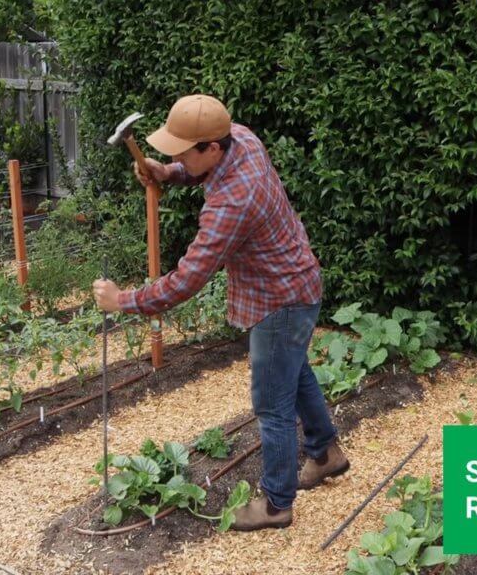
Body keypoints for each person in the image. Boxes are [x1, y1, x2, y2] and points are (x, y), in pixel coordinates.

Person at [92, 94, 350, 531]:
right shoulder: (241, 138)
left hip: (279, 302)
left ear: (211, 148)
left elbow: (188, 279)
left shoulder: (232, 203)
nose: (174, 154)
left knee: (272, 405)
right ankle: (326, 454)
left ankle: (276, 505)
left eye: (180, 151)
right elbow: (198, 168)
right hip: (299, 284)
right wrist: (167, 172)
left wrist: (125, 301)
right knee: (296, 373)